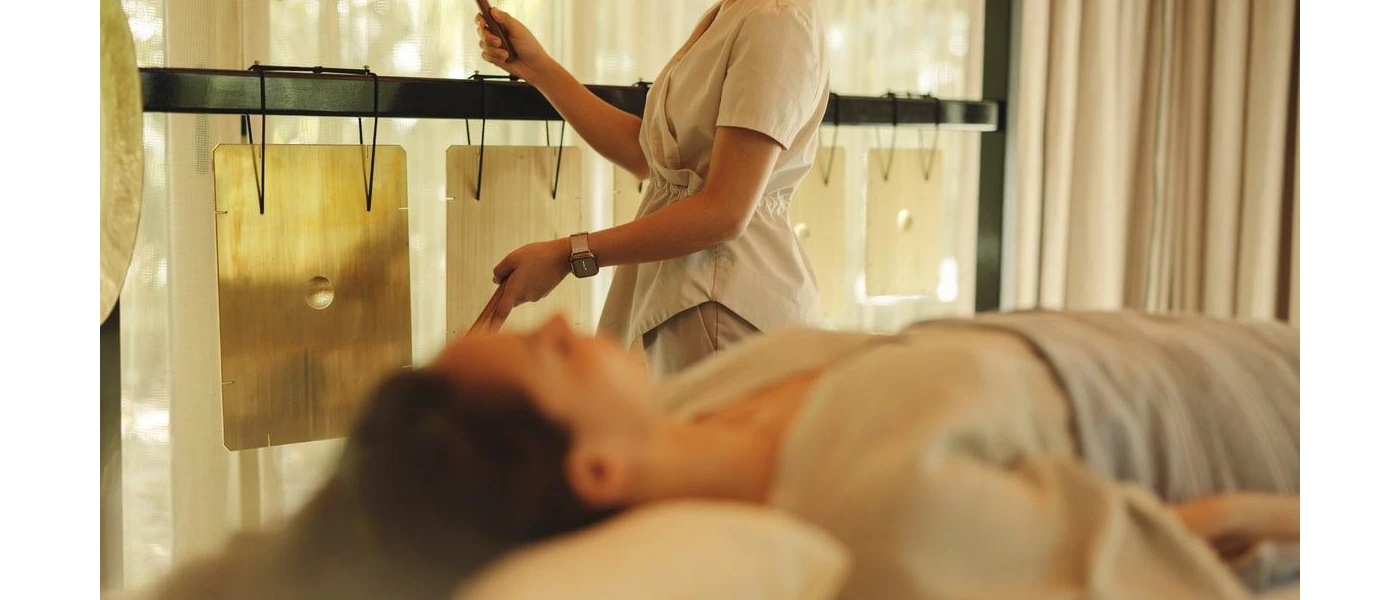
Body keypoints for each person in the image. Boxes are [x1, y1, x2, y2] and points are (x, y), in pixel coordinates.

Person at [145, 310, 1299, 600]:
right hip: (1230, 411)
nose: (564, 327)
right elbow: (1154, 559)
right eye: (551, 355)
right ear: (590, 472)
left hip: (1169, 344)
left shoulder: (696, 403)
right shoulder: (879, 508)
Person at [471, 0, 831, 377]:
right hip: (690, 291)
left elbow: (725, 210)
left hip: (724, 298)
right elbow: (649, 156)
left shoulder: (775, 20)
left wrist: (568, 255)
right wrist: (537, 68)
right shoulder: (737, 12)